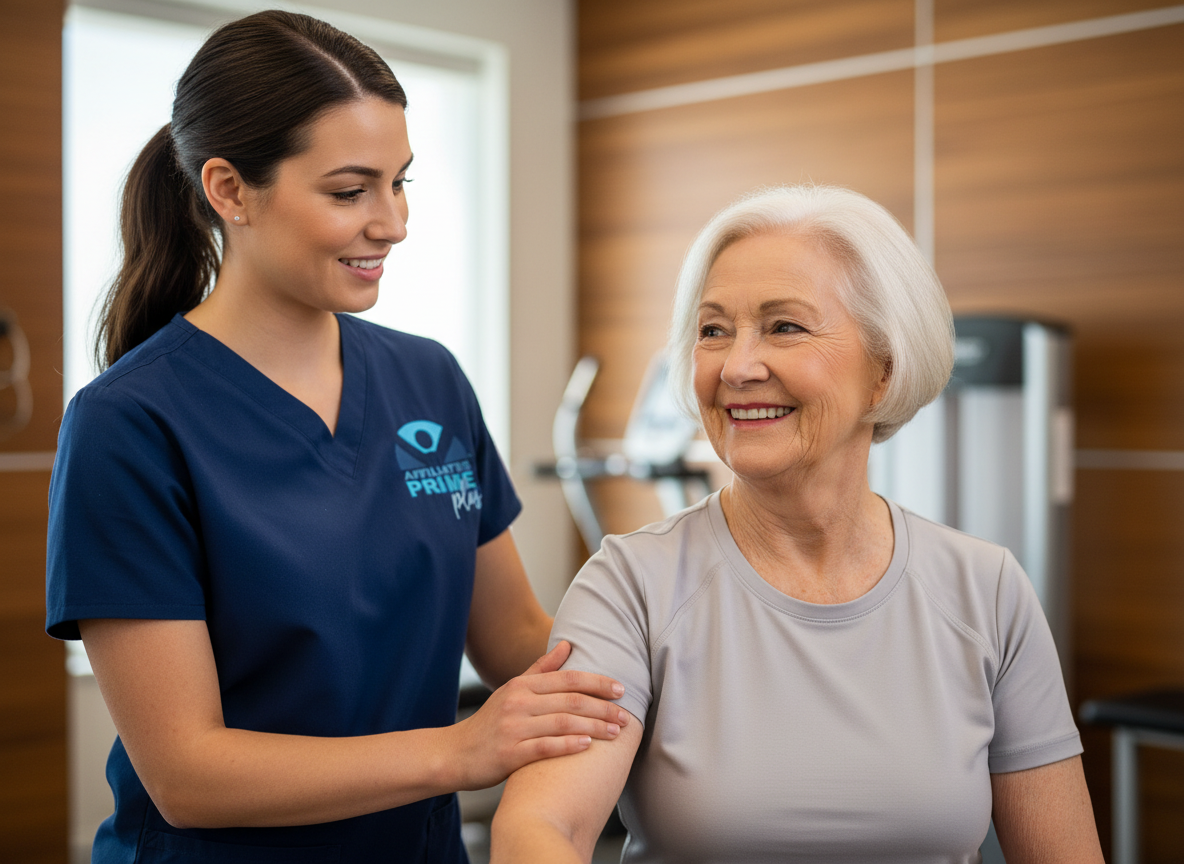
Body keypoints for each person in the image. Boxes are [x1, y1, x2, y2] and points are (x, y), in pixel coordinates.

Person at [44, 11, 631, 863]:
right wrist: (461, 751)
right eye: (350, 191)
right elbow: (188, 772)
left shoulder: (427, 379)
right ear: (229, 190)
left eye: (401, 183)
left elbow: (511, 640)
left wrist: (669, 655)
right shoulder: (129, 423)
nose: (391, 223)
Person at [489, 185, 1104, 863]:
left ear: (884, 372)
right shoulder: (629, 586)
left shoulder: (987, 590)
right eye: (713, 330)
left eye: (784, 327)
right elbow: (542, 827)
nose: (737, 366)